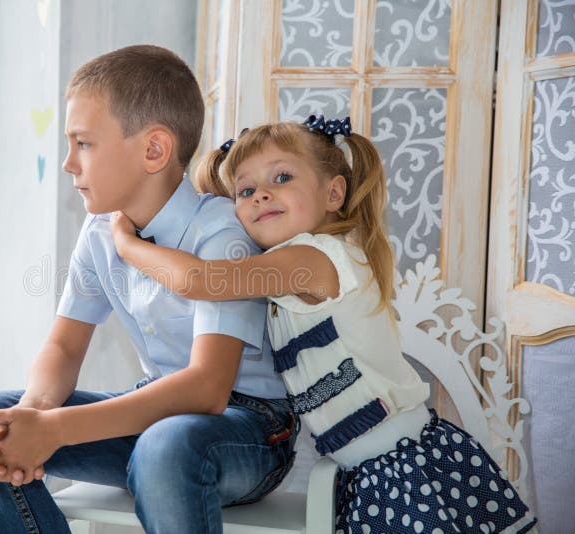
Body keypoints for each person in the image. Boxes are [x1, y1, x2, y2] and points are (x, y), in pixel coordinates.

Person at [110, 115, 538, 533]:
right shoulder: (293, 266)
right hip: (366, 474)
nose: (260, 195)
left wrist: (128, 246)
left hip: (405, 469)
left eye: (281, 178)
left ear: (333, 193)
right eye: (245, 189)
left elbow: (199, 280)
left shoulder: (313, 260)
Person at [0, 44, 298, 534]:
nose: (69, 162)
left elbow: (207, 389)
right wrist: (30, 418)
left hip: (248, 431)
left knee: (168, 446)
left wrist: (56, 430)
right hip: (155, 420)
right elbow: (64, 346)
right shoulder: (98, 235)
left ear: (154, 150)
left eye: (83, 143)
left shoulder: (222, 235)